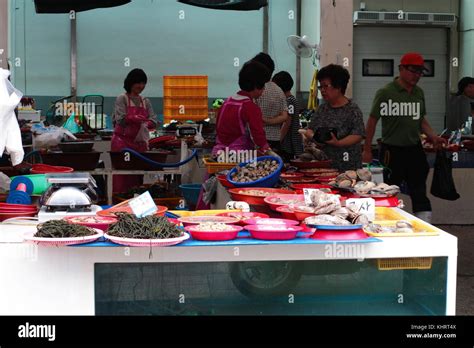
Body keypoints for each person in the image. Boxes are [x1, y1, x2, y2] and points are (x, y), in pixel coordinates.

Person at [362, 52, 447, 223]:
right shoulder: (385, 93)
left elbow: (421, 119)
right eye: (413, 71)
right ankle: (386, 224)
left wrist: (433, 136)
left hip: (414, 149)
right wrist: (367, 150)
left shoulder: (419, 93)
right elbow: (372, 121)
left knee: (419, 190)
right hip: (391, 150)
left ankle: (424, 228)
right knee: (388, 190)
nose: (417, 75)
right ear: (401, 69)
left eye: (420, 72)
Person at [303, 64, 365, 172]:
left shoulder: (352, 109)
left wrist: (338, 143)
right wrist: (316, 139)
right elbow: (309, 130)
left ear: (338, 87)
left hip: (348, 167)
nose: (322, 90)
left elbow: (358, 135)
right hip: (325, 166)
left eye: (326, 86)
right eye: (320, 87)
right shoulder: (322, 109)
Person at [212, 61, 271, 157]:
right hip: (239, 158)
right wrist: (268, 150)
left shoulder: (227, 102)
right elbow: (258, 136)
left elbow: (218, 128)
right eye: (263, 85)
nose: (264, 89)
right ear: (256, 86)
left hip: (218, 154)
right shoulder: (251, 107)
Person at [111, 68, 156, 193]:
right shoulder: (122, 99)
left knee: (136, 176)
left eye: (143, 83)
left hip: (139, 145)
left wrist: (147, 123)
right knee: (121, 176)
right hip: (122, 143)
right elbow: (119, 120)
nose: (141, 86)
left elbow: (154, 120)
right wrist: (133, 118)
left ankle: (135, 199)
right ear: (130, 83)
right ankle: (118, 200)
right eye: (138, 83)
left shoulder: (145, 101)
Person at [251, 53, 289, 155]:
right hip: (275, 139)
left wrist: (263, 121)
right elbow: (285, 116)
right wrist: (269, 121)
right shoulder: (279, 90)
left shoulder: (255, 89)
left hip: (257, 140)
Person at [272, 71, 303, 162]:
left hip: (289, 144)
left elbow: (287, 123)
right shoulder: (289, 100)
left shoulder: (289, 101)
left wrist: (278, 141)